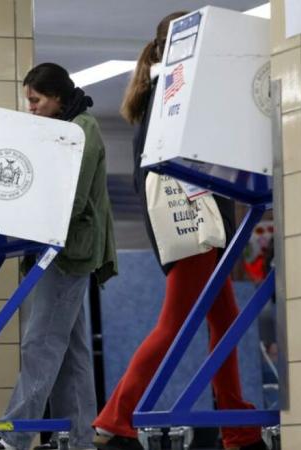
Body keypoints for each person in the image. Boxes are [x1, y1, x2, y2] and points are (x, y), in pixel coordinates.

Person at [90, 12, 266, 450]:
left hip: (187, 216)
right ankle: (116, 416)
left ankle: (237, 427)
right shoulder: (176, 87)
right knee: (173, 323)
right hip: (191, 217)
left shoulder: (160, 88)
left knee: (222, 324)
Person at [0, 62, 118, 450]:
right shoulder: (60, 129)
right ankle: (80, 439)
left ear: (56, 97)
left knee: (41, 343)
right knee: (71, 352)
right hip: (54, 249)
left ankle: (14, 436)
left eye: (36, 100)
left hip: (67, 251)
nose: (31, 108)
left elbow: (74, 195)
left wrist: (30, 222)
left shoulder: (83, 129)